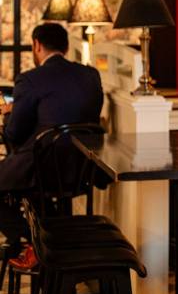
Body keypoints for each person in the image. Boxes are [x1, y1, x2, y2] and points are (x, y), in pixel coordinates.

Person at [0, 23, 103, 191]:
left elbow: (14, 134)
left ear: (37, 45)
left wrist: (8, 114)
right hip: (84, 167)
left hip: (41, 169)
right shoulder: (91, 75)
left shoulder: (29, 79)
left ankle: (21, 217)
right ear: (67, 47)